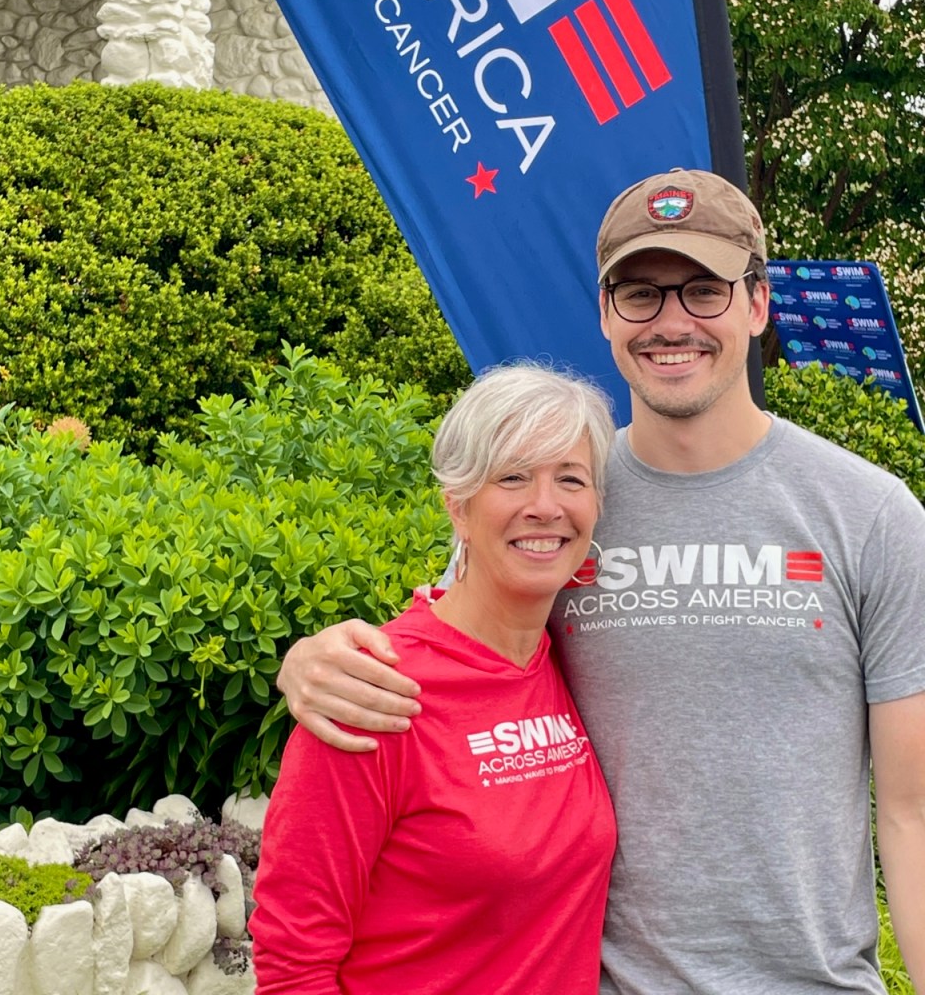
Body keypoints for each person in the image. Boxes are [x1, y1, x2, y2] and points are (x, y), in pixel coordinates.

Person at [276, 168, 925, 994]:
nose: (672, 323)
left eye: (704, 290)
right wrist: (309, 662)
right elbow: (452, 649)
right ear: (606, 315)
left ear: (758, 303)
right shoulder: (562, 501)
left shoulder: (871, 515)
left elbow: (912, 812)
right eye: (640, 295)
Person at [249, 363, 619, 994]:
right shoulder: (372, 690)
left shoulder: (574, 654)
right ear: (458, 506)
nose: (545, 506)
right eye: (512, 477)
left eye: (570, 478)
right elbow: (293, 965)